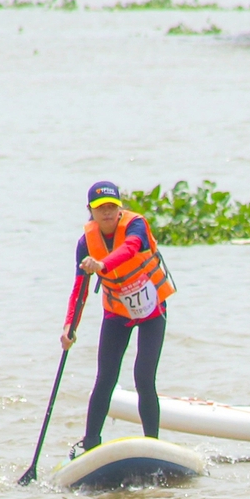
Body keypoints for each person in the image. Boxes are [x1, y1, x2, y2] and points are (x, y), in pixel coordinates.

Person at [64, 181, 175, 456]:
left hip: (152, 311)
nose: (107, 213)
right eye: (101, 209)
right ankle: (90, 446)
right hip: (117, 312)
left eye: (112, 207)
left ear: (120, 207)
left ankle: (153, 445)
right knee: (105, 378)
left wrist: (102, 264)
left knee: (143, 377)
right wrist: (70, 326)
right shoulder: (85, 244)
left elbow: (131, 248)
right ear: (91, 211)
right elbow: (80, 289)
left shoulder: (136, 226)